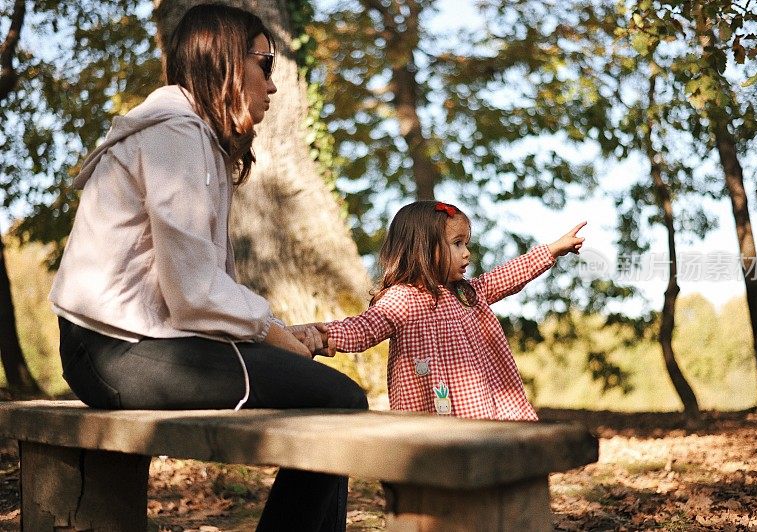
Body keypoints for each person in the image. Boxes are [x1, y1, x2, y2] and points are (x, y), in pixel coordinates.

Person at [48, 4, 366, 531]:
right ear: (224, 62)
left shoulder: (188, 136)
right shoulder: (175, 136)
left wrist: (274, 333)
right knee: (341, 399)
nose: (273, 84)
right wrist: (272, 332)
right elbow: (193, 292)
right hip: (117, 352)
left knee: (331, 396)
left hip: (119, 346)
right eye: (265, 64)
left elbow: (195, 289)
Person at [325, 200, 585, 421]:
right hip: (433, 416)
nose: (467, 253)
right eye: (457, 243)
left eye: (466, 243)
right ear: (423, 249)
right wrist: (322, 336)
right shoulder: (403, 299)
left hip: (483, 410)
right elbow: (364, 327)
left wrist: (552, 250)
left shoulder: (469, 293)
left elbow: (510, 274)